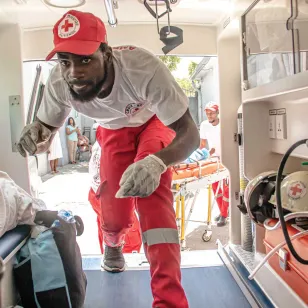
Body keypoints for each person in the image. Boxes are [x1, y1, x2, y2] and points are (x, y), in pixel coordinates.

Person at [17, 10, 199, 308]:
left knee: (152, 201)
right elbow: (45, 134)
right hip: (113, 131)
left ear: (107, 54)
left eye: (85, 59)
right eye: (65, 61)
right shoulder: (59, 81)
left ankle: (169, 301)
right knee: (113, 212)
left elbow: (189, 134)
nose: (74, 72)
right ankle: (113, 245)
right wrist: (36, 136)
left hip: (154, 123)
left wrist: (157, 162)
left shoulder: (143, 69)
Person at [88, 133, 142, 254]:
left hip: (97, 192)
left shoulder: (103, 137)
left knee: (106, 230)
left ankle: (108, 256)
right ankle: (124, 263)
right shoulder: (118, 140)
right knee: (128, 235)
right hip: (109, 196)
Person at [200, 102, 229, 227]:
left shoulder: (225, 125)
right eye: (207, 113)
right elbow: (202, 145)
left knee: (227, 188)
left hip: (227, 157)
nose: (209, 115)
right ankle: (222, 211)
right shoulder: (204, 125)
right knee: (215, 187)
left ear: (217, 113)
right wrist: (201, 156)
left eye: (211, 113)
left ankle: (224, 214)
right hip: (213, 158)